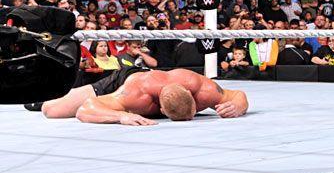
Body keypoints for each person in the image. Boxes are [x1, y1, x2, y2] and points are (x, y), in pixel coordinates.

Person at [39, 68, 249, 126]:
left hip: (154, 79)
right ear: (161, 110)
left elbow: (238, 95)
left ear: (192, 97)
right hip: (125, 80)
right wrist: (121, 116)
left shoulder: (203, 89)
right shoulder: (136, 95)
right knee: (50, 109)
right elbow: (85, 109)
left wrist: (237, 107)